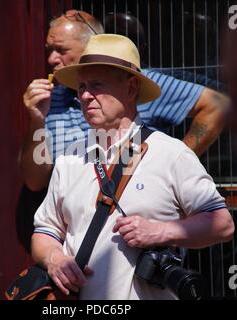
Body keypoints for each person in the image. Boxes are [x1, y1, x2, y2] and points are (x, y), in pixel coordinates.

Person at [31, 34, 234, 300]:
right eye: (81, 87)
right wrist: (54, 258)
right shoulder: (70, 158)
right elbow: (44, 232)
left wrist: (160, 231)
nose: (86, 96)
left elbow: (223, 225)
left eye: (97, 85)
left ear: (131, 88)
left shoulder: (171, 154)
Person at [20, 10, 230, 193]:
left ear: (89, 47)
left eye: (61, 50)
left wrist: (176, 162)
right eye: (49, 49)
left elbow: (218, 105)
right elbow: (35, 182)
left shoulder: (133, 83)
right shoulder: (50, 100)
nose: (51, 59)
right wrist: (37, 121)